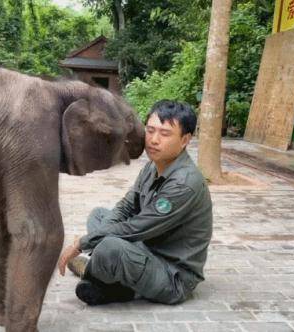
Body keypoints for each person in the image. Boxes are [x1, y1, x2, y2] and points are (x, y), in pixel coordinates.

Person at [57, 100, 213, 305]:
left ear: (185, 140)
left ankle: (97, 271)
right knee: (100, 215)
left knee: (109, 246)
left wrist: (83, 243)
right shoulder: (153, 166)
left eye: (165, 134)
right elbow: (127, 206)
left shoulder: (185, 183)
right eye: (150, 130)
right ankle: (108, 274)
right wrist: (97, 237)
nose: (154, 140)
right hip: (147, 247)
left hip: (172, 276)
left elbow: (138, 227)